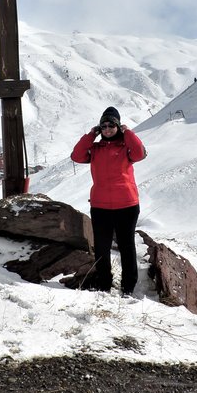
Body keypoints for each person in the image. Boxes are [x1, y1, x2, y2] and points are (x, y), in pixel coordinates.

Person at [71, 106, 147, 295]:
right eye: (103, 126)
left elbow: (140, 152)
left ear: (118, 126)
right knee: (102, 248)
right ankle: (104, 283)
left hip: (127, 206)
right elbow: (77, 155)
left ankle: (128, 287)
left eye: (111, 125)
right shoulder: (96, 148)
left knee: (126, 246)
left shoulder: (126, 148)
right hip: (100, 206)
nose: (107, 129)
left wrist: (127, 131)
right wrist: (91, 135)